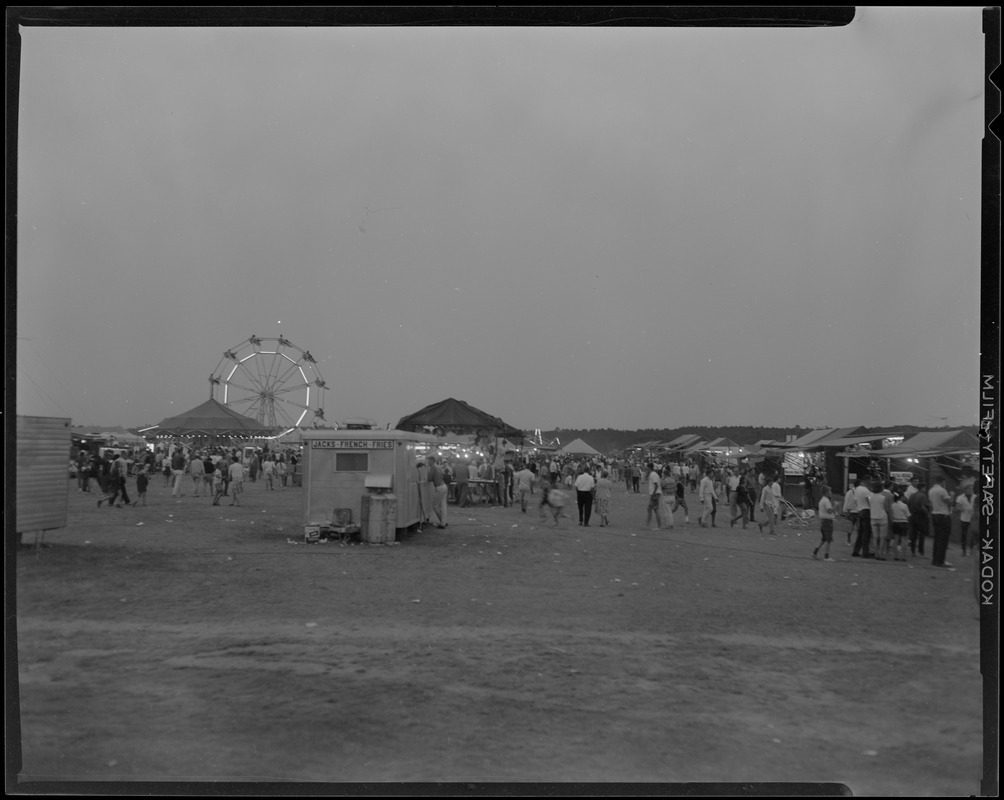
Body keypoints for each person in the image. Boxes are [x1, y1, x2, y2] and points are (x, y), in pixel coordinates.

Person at [929, 475, 955, 567]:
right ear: (943, 482)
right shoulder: (942, 490)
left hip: (935, 515)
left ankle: (935, 560)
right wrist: (952, 495)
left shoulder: (931, 490)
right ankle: (940, 561)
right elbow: (950, 502)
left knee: (937, 538)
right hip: (943, 516)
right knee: (943, 539)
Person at [868, 480, 892, 560]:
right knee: (882, 538)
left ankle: (876, 553)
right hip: (882, 518)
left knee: (875, 537)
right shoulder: (883, 497)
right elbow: (886, 508)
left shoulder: (870, 497)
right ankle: (880, 554)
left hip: (873, 517)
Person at [852, 477, 875, 558]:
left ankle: (856, 551)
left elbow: (855, 500)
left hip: (860, 511)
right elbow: (869, 500)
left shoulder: (857, 489)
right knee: (867, 533)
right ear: (866, 481)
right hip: (867, 511)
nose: (871, 482)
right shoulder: (866, 490)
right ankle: (865, 552)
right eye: (870, 480)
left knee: (860, 533)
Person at [907, 482, 931, 557]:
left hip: (913, 516)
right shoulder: (923, 496)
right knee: (921, 534)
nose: (925, 489)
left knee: (913, 534)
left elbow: (909, 505)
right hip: (921, 516)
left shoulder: (912, 495)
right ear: (922, 488)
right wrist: (928, 514)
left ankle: (913, 551)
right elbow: (923, 507)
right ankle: (921, 551)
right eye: (925, 488)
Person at [812, 485, 836, 561]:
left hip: (823, 521)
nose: (831, 492)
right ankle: (826, 556)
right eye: (830, 491)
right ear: (826, 492)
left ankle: (815, 552)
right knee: (828, 539)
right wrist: (836, 506)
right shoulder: (826, 501)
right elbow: (829, 510)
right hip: (827, 521)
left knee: (824, 539)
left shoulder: (822, 500)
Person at [427, 455, 448, 528]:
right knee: (443, 505)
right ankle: (444, 522)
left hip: (439, 487)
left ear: (432, 460)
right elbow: (442, 476)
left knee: (435, 506)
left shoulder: (433, 467)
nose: (427, 462)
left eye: (428, 461)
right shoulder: (438, 467)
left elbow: (429, 478)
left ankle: (442, 522)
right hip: (444, 486)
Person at [890, 492, 910, 561]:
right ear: (901, 497)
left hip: (895, 522)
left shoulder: (893, 505)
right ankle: (903, 556)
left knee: (896, 539)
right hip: (903, 522)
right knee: (904, 540)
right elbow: (908, 515)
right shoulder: (904, 505)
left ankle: (896, 556)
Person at [956, 485, 975, 556]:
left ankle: (971, 549)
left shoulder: (975, 497)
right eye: (969, 489)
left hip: (973, 518)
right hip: (964, 518)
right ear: (965, 490)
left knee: (974, 534)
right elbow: (957, 507)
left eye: (971, 489)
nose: (970, 490)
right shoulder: (960, 498)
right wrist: (961, 509)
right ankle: (963, 550)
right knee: (964, 534)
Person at [645, 462, 664, 530]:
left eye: (647, 467)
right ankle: (649, 524)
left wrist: (653, 494)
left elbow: (656, 485)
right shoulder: (653, 474)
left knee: (654, 509)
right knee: (653, 509)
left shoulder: (653, 475)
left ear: (649, 468)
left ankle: (657, 525)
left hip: (655, 493)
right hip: (655, 493)